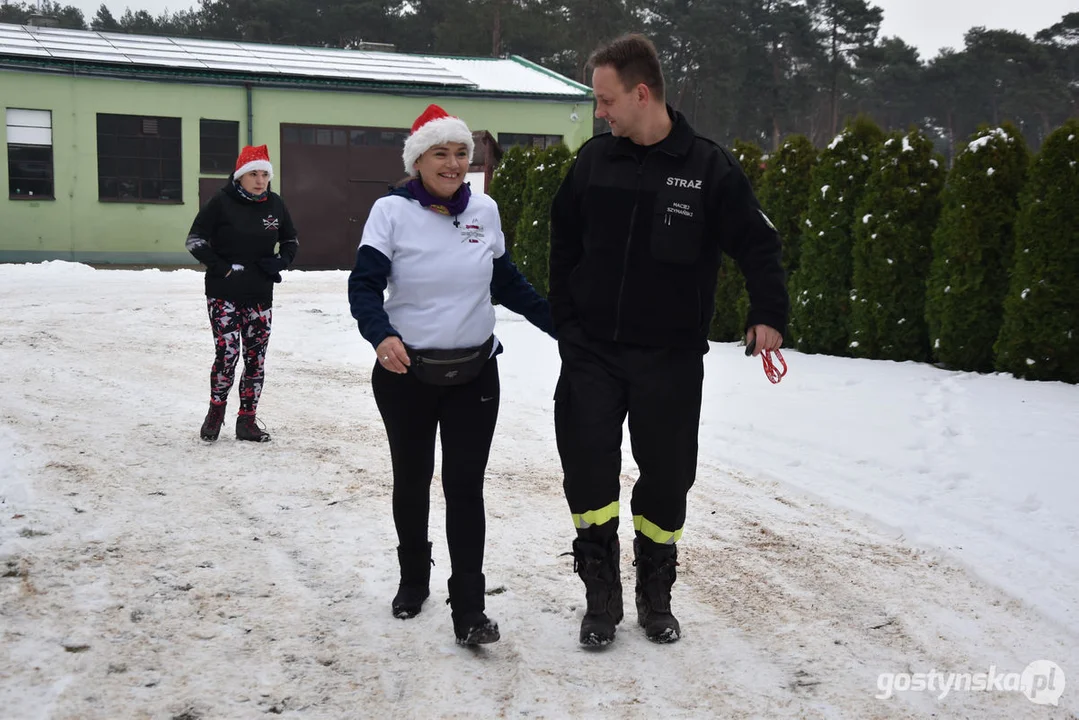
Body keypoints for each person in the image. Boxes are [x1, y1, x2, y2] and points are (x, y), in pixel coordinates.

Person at [549, 34, 789, 646]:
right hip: (593, 352)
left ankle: (656, 589)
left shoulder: (707, 167)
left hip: (671, 359)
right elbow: (563, 244)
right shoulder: (594, 163)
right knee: (588, 470)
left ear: (641, 92)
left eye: (605, 100)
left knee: (668, 474)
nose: (599, 112)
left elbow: (759, 244)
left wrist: (768, 312)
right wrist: (568, 325)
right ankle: (600, 594)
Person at [347, 104, 554, 647]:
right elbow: (364, 286)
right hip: (406, 372)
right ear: (419, 160)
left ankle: (470, 609)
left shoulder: (483, 210)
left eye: (462, 152)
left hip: (474, 372)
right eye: (441, 152)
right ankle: (414, 580)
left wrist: (564, 326)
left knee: (466, 489)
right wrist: (380, 334)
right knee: (412, 480)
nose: (454, 163)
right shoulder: (390, 212)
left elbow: (507, 281)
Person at [185, 144, 299, 443]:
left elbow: (291, 241)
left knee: (255, 358)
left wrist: (280, 261)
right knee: (227, 354)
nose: (260, 180)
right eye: (253, 174)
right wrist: (222, 268)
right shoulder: (221, 202)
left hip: (260, 293)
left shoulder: (275, 204)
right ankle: (216, 411)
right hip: (224, 292)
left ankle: (247, 420)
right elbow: (195, 240)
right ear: (240, 177)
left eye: (265, 174)